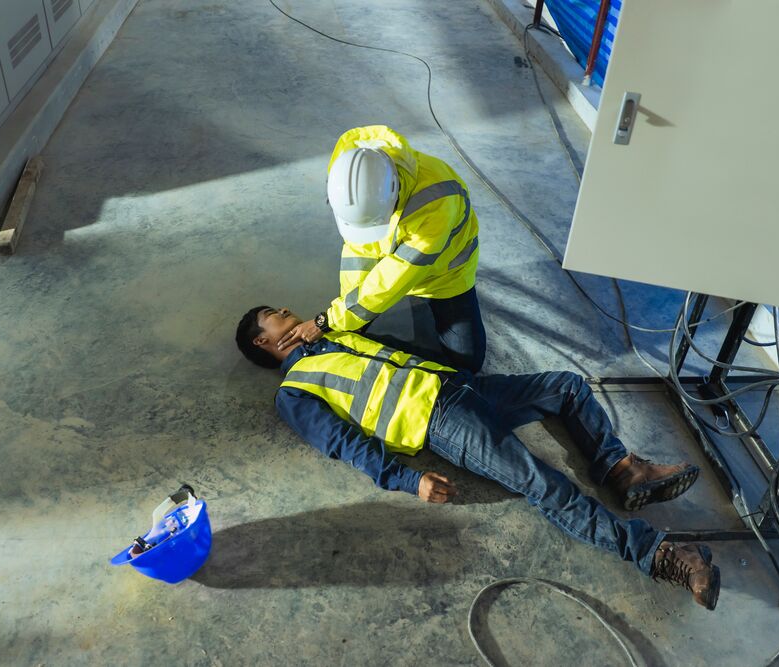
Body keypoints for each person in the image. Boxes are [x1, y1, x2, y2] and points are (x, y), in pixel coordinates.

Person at [236, 305, 721, 610]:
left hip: (461, 387)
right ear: (264, 340)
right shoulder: (294, 393)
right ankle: (661, 556)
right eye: (276, 314)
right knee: (543, 484)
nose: (289, 310)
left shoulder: (332, 332)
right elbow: (344, 443)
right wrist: (407, 481)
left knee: (567, 387)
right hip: (440, 422)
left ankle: (623, 470)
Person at [277, 126, 487, 373]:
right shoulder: (347, 180)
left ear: (395, 194)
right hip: (403, 267)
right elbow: (359, 252)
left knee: (467, 364)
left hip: (445, 276)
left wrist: (327, 320)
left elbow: (395, 277)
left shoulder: (437, 201)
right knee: (351, 324)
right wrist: (345, 315)